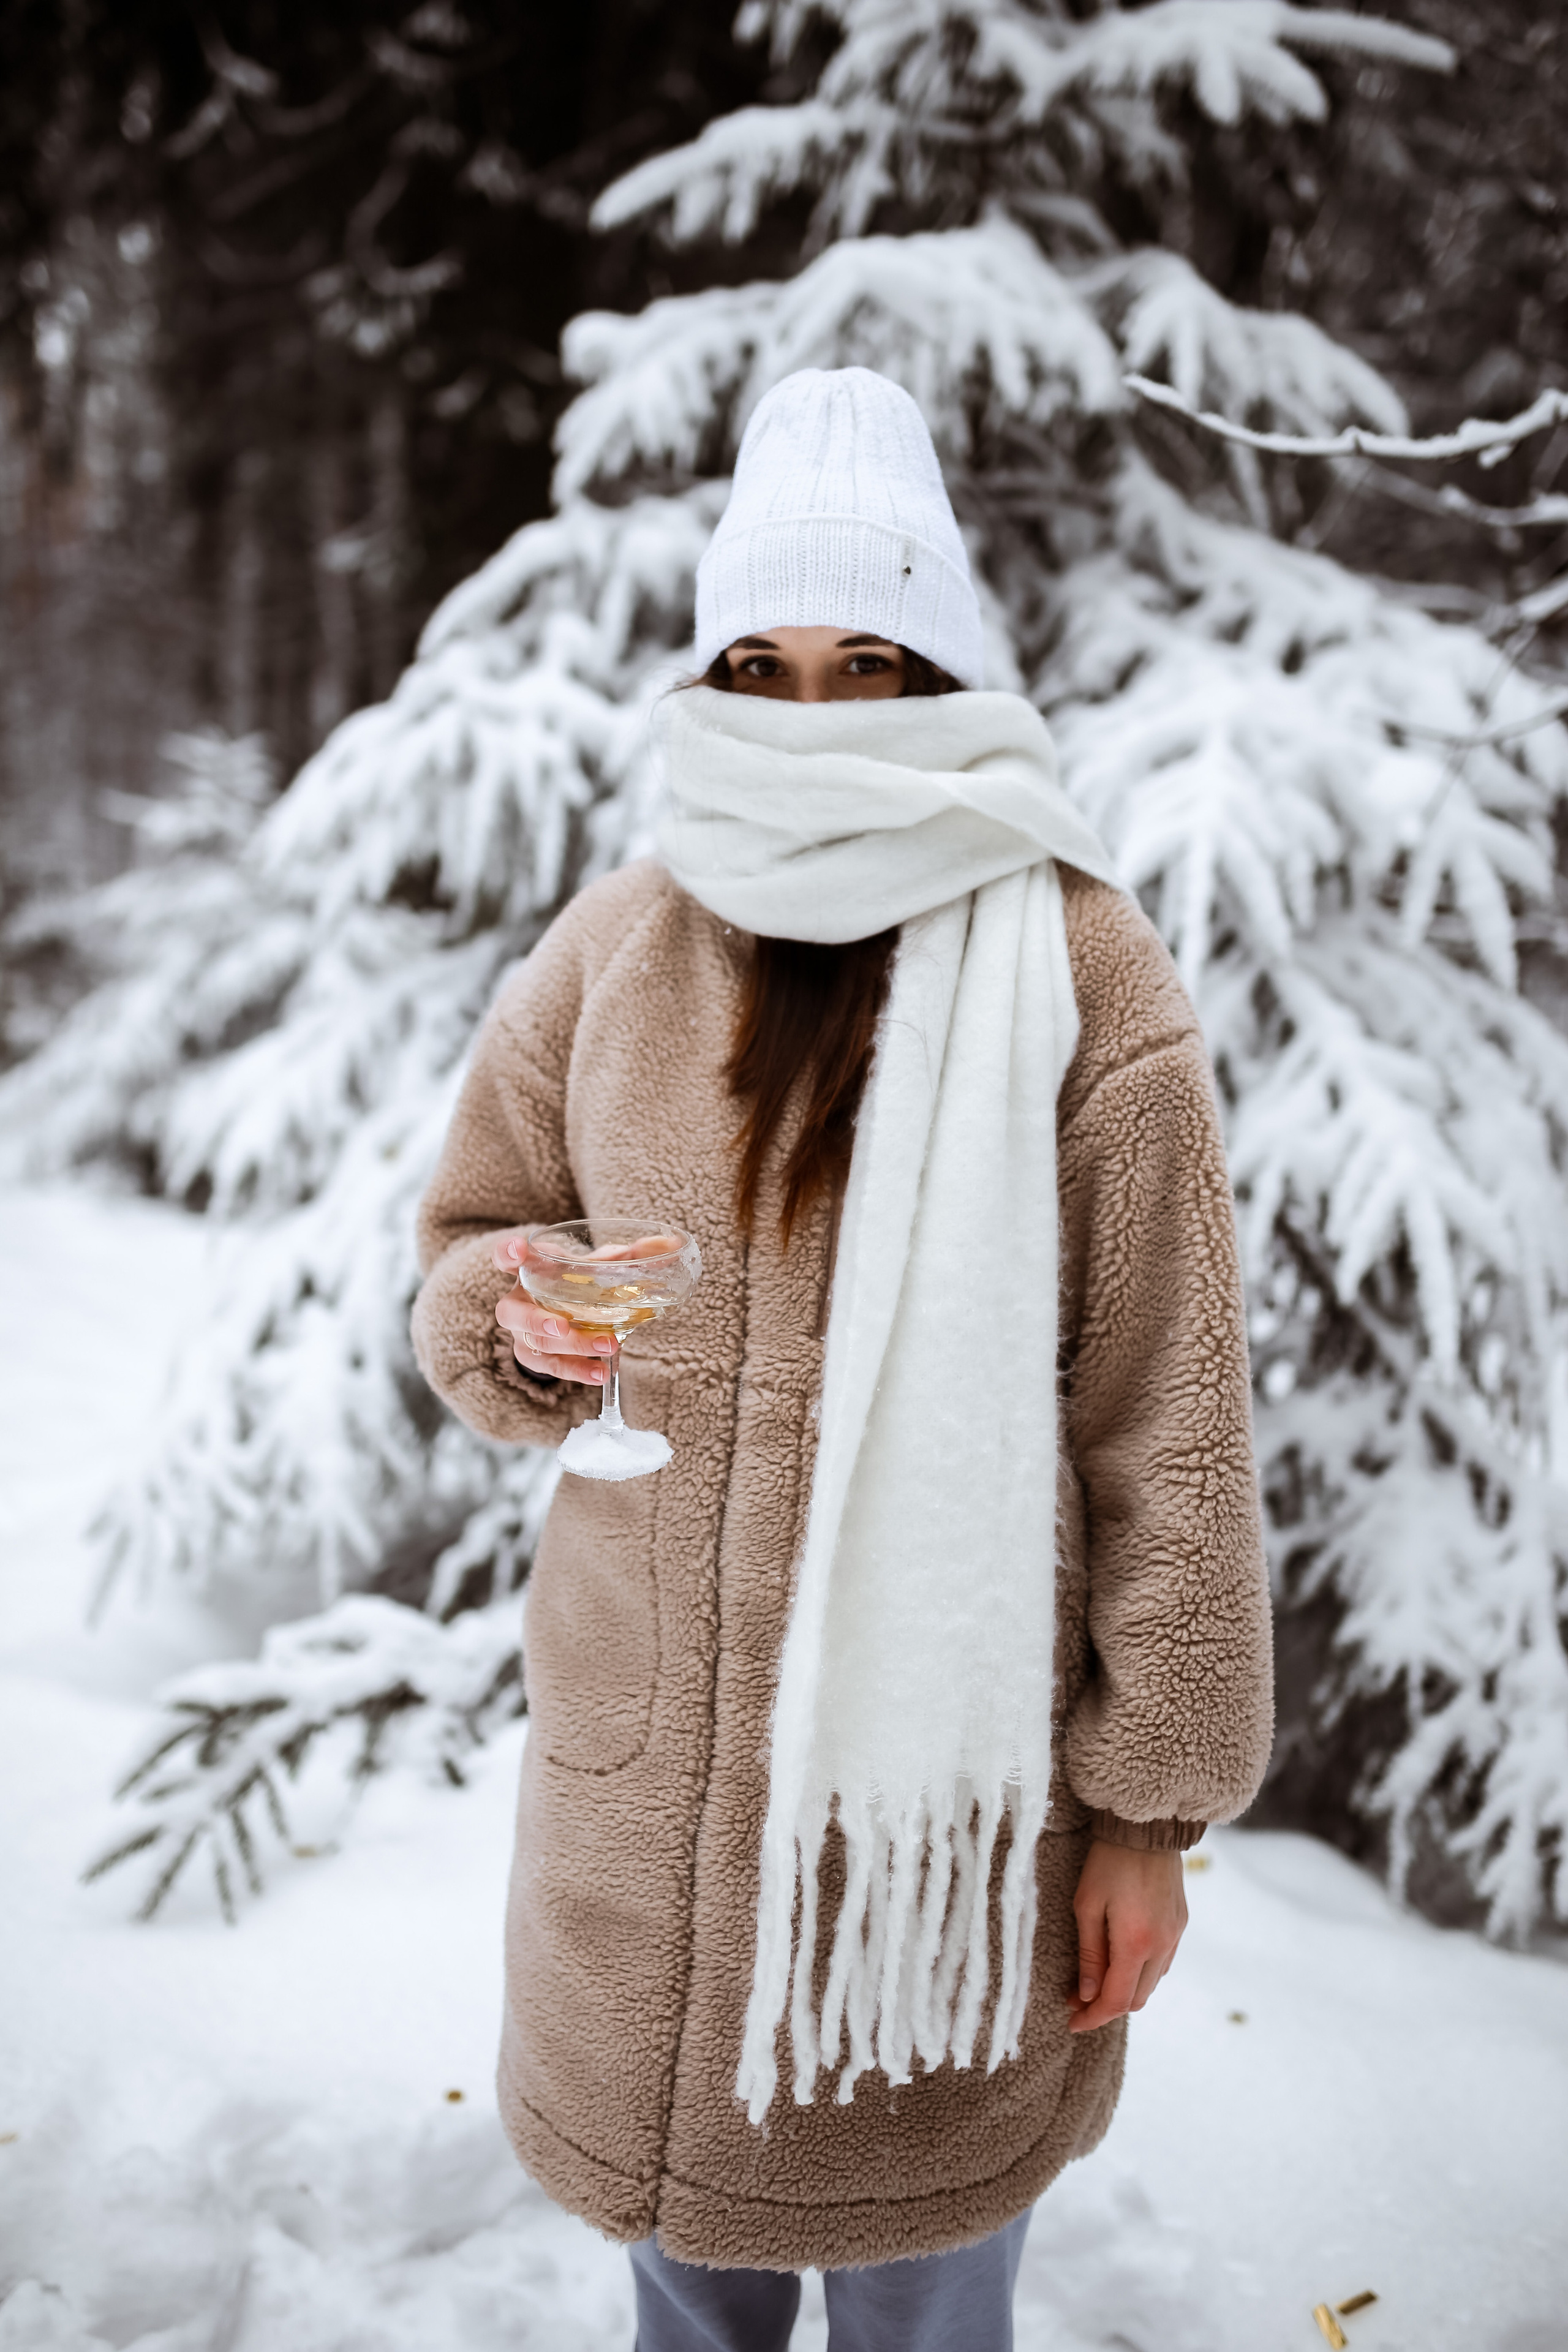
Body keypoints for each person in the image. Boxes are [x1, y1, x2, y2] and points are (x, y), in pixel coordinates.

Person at [412, 366, 1273, 2352]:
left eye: (864, 663)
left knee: (922, 2302)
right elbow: (471, 1242)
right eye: (764, 665)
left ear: (940, 666)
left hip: (930, 1855)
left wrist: (1148, 1812)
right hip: (644, 1821)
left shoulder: (1082, 966)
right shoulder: (622, 942)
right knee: (686, 2304)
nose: (809, 714)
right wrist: (513, 1309)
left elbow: (1168, 1422)